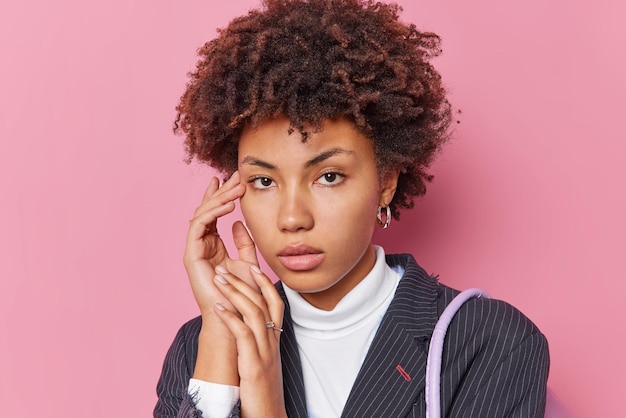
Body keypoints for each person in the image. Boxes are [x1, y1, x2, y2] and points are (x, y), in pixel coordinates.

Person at [154, 0, 550, 417]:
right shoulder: (199, 347)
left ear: (386, 183)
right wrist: (220, 331)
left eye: (328, 176)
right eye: (264, 181)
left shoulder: (487, 340)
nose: (292, 219)